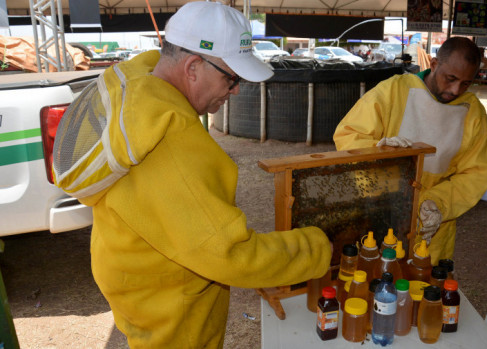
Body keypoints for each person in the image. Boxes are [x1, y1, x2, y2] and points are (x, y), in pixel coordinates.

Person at [52, 2, 332, 348]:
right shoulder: (171, 141)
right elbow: (228, 254)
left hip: (137, 284)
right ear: (194, 66)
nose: (236, 90)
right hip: (174, 312)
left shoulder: (138, 90)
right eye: (232, 78)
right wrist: (319, 248)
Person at [333, 37, 487, 265]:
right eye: (451, 79)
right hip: (382, 210)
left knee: (422, 286)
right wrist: (380, 153)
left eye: (466, 83)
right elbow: (349, 134)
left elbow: (477, 173)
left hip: (433, 228)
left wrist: (437, 203)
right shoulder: (394, 90)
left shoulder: (472, 112)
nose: (455, 90)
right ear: (434, 64)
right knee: (375, 279)